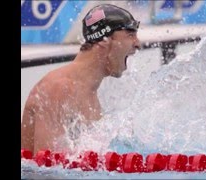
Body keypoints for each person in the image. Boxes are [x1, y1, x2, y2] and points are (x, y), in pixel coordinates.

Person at [21, 4, 141, 154]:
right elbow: (46, 169)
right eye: (130, 35)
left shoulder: (90, 94)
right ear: (104, 40)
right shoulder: (58, 88)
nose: (138, 44)